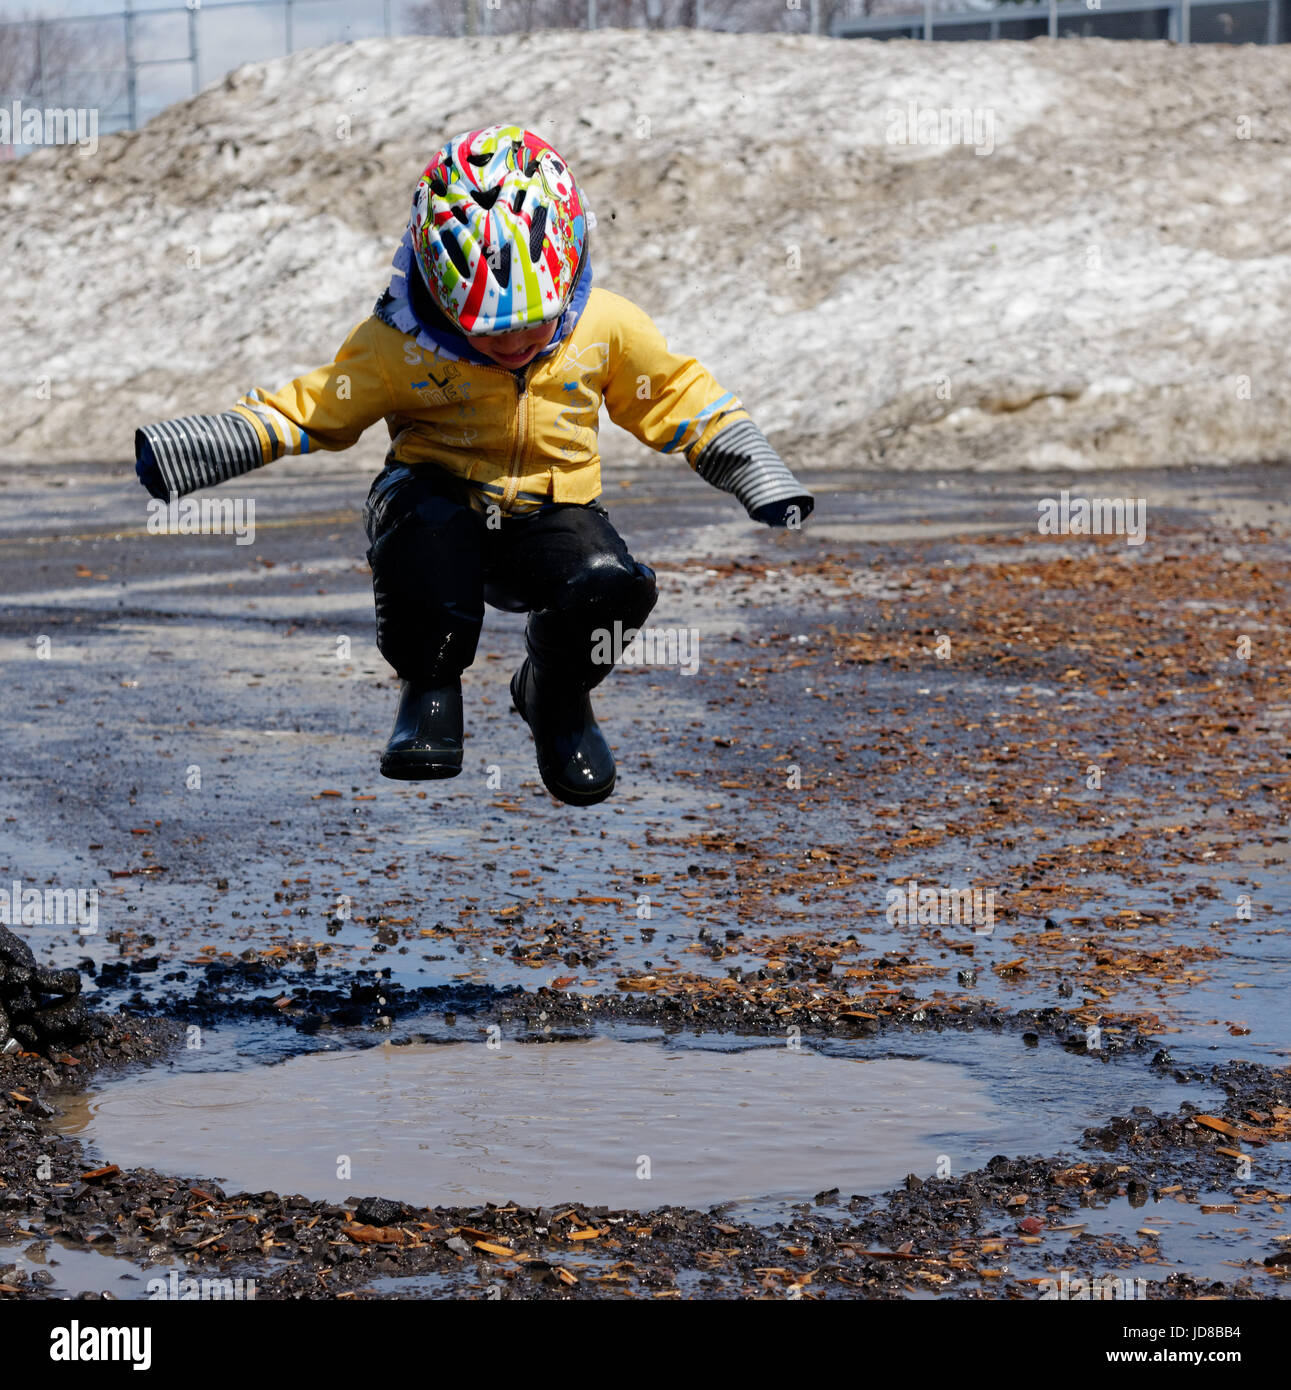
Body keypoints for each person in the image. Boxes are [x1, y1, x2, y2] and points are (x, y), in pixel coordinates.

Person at [134, 124, 814, 806]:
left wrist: (752, 466)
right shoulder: (397, 346)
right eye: (488, 329)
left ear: (571, 268)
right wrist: (195, 449)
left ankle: (556, 695)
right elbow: (306, 409)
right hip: (437, 503)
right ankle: (428, 691)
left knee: (613, 585)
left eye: (535, 322)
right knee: (424, 530)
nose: (514, 344)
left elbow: (676, 397)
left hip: (548, 516)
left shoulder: (605, 328)